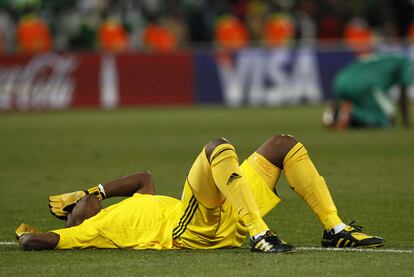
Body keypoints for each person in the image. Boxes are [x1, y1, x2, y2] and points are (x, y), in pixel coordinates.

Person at [15, 135, 385, 253]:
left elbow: (143, 177)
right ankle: (260, 234)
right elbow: (35, 240)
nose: (80, 200)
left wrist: (92, 190)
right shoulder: (87, 231)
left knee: (282, 145)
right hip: (189, 229)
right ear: (79, 217)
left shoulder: (135, 201)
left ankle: (335, 231)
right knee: (215, 146)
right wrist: (26, 233)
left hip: (224, 209)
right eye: (79, 204)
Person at [322, 53, 412, 128]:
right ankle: (347, 112)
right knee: (384, 121)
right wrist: (403, 120)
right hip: (363, 84)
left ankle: (340, 114)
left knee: (363, 108)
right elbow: (402, 94)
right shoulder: (407, 64)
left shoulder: (387, 58)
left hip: (341, 79)